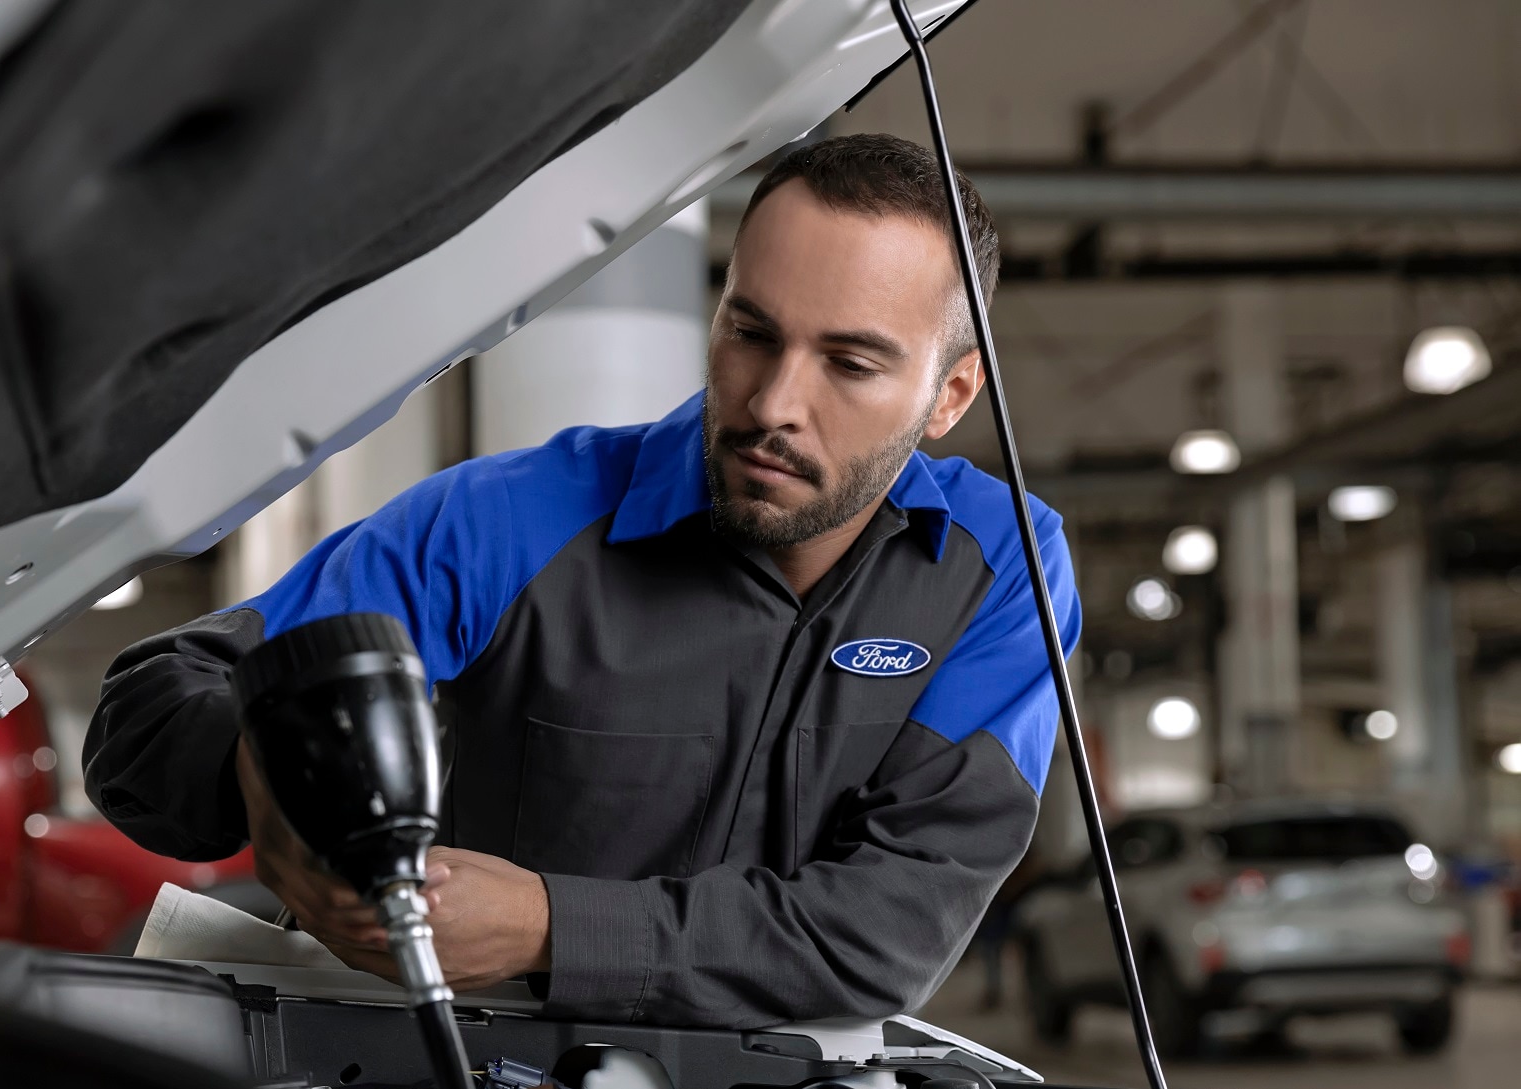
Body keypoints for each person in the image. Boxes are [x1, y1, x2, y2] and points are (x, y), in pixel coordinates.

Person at [82, 133, 1078, 1031]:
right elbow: (151, 709)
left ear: (949, 395)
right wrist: (263, 773)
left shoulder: (1000, 573)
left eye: (849, 364)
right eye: (751, 333)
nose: (774, 403)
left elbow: (886, 932)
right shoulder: (510, 522)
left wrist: (547, 926)